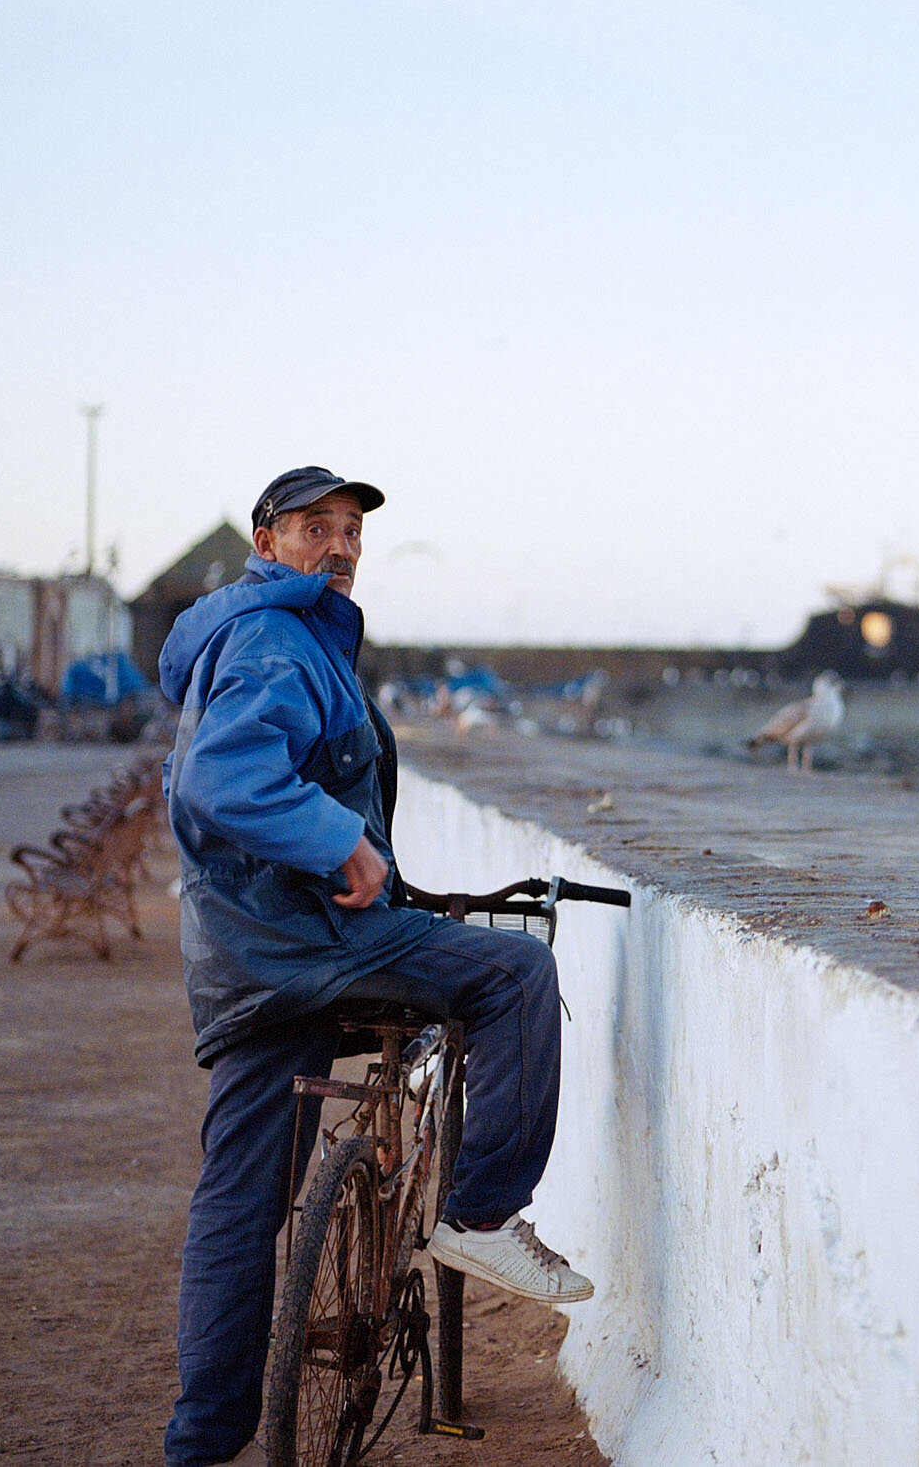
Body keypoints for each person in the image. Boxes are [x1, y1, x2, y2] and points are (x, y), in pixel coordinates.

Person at [160, 465, 592, 1467]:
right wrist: (341, 847)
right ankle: (482, 1215)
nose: (341, 546)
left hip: (243, 955)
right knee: (513, 977)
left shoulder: (257, 631)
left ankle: (202, 1440)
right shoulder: (275, 634)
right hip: (309, 942)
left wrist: (365, 862)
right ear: (265, 541)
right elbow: (224, 778)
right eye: (316, 528)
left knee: (239, 1202)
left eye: (352, 530)